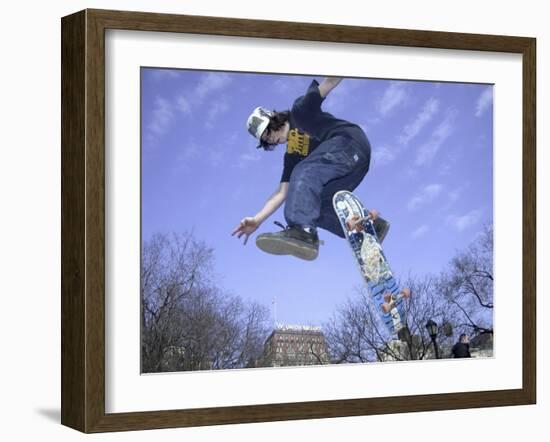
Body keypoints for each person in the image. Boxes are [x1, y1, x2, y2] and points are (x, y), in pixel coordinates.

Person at [232, 77, 388, 261]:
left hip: (349, 142)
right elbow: (281, 193)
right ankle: (368, 228)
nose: (269, 140)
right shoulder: (292, 155)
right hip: (352, 169)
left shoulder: (300, 112)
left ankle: (302, 231)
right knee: (315, 207)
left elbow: (328, 83)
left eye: (267, 133)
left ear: (273, 119)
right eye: (265, 141)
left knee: (303, 172)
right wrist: (257, 220)